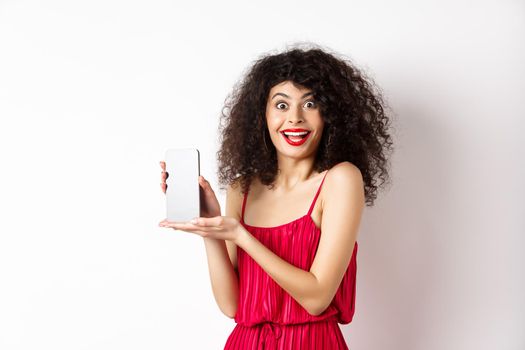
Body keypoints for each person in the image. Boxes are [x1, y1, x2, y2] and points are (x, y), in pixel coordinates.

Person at [158, 43, 393, 350]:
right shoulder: (242, 189)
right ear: (262, 115)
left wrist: (242, 237)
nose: (295, 118)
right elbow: (232, 306)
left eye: (310, 104)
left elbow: (317, 298)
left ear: (330, 114)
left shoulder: (341, 180)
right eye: (281, 105)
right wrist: (211, 229)